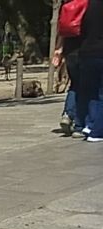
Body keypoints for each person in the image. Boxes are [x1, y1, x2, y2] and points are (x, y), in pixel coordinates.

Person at [53, 0, 87, 135]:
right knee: (87, 87)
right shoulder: (90, 4)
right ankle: (80, 124)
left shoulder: (67, 4)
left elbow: (61, 30)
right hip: (86, 48)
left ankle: (68, 114)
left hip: (70, 50)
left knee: (75, 84)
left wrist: (58, 49)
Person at [74, 0, 103, 142]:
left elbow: (82, 28)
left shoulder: (90, 5)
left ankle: (90, 124)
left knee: (92, 93)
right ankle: (97, 132)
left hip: (87, 53)